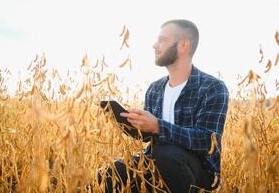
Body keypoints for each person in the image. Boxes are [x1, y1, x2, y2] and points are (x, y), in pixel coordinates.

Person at [98, 19, 229, 193]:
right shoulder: (155, 89)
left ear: (183, 45)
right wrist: (132, 123)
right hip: (156, 160)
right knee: (110, 173)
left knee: (166, 155)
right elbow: (148, 138)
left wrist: (158, 126)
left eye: (162, 40)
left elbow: (207, 142)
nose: (154, 45)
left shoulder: (212, 88)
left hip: (200, 173)